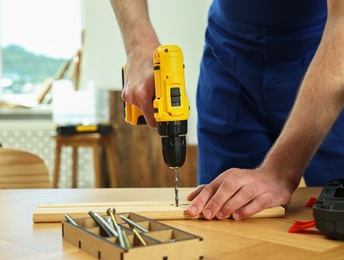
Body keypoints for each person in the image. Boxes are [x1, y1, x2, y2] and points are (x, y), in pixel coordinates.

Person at [110, 0, 344, 220]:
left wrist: (280, 172)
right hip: (228, 58)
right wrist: (138, 44)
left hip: (325, 59)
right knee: (220, 216)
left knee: (335, 214)